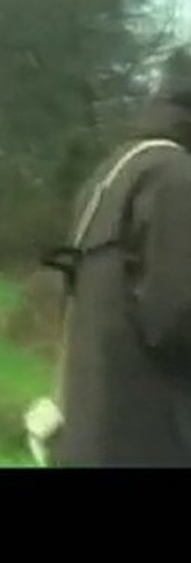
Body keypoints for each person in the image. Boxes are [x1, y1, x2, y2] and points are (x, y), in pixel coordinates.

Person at [36, 47, 191, 467]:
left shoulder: (115, 171)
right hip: (145, 444)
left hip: (91, 437)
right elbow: (175, 320)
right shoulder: (175, 180)